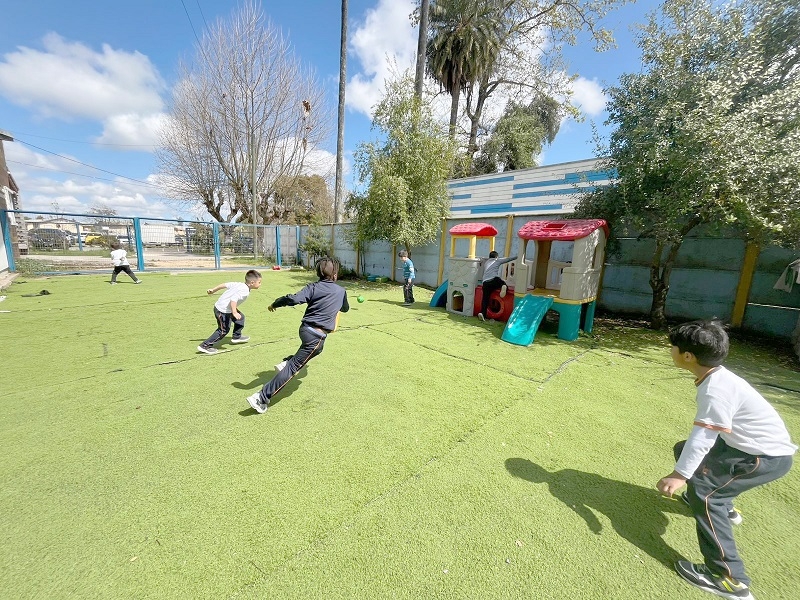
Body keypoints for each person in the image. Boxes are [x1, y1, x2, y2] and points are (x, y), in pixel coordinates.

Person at [656, 319, 796, 600]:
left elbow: (704, 437)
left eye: (672, 346)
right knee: (684, 450)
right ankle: (726, 506)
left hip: (762, 457)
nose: (669, 350)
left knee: (706, 495)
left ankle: (728, 579)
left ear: (687, 356)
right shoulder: (717, 376)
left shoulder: (716, 390)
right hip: (748, 447)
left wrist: (680, 475)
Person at [247, 258, 349, 413]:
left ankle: (288, 361)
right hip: (316, 336)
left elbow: (293, 298)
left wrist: (275, 303)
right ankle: (260, 397)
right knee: (294, 367)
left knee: (316, 350)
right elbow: (346, 308)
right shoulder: (341, 291)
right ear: (335, 274)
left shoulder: (313, 287)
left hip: (305, 330)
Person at [197, 270, 262, 355]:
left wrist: (213, 290)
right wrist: (234, 312)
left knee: (241, 318)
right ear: (252, 282)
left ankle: (236, 337)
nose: (260, 284)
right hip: (222, 310)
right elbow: (233, 299)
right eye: (259, 282)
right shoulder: (244, 291)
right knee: (223, 331)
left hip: (224, 307)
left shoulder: (240, 284)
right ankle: (205, 346)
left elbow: (224, 285)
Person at [477, 250, 516, 321]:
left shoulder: (486, 262)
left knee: (485, 299)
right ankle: (504, 287)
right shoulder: (497, 260)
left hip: (485, 283)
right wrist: (518, 256)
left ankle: (482, 313)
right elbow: (507, 259)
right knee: (501, 282)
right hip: (493, 279)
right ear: (496, 257)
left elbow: (483, 259)